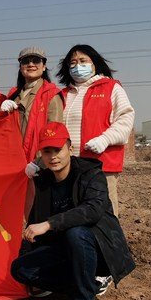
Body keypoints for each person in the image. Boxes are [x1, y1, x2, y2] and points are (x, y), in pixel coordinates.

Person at [10, 122, 135, 300]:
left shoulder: (91, 174)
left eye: (58, 150)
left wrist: (49, 224)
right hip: (65, 249)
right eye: (47, 151)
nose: (53, 157)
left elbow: (92, 210)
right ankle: (86, 285)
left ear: (70, 149)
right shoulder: (43, 182)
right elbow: (37, 224)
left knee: (76, 233)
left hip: (98, 248)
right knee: (20, 269)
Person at [57, 44, 135, 217]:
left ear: (95, 64)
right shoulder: (62, 95)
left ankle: (109, 244)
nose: (78, 66)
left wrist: (104, 139)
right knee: (71, 214)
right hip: (69, 167)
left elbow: (125, 119)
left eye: (83, 61)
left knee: (102, 215)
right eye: (73, 62)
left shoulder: (111, 88)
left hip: (101, 166)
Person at [4, 47, 64, 165]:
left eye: (36, 61)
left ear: (44, 66)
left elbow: (54, 134)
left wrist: (40, 162)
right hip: (14, 159)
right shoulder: (13, 95)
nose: (31, 64)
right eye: (26, 61)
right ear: (20, 67)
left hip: (38, 162)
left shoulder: (51, 94)